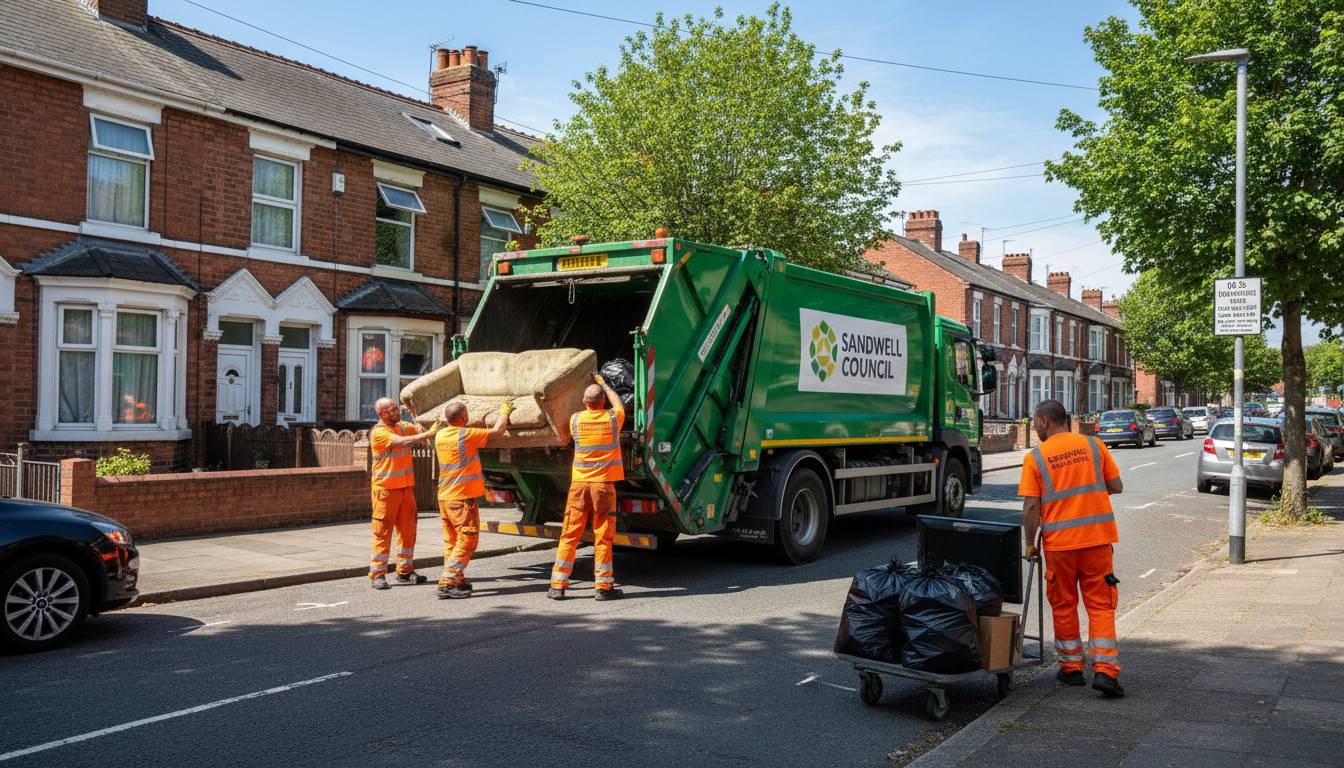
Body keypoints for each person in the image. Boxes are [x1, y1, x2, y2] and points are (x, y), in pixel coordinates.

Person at [1020, 399, 1126, 697]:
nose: (1034, 428)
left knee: (1064, 604)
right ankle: (1105, 671)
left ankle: (1072, 669)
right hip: (1096, 541)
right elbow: (1116, 486)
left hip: (1060, 546)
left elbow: (1031, 506)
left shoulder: (1036, 457)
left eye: (1033, 422)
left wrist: (1030, 545)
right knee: (1101, 605)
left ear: (1044, 421)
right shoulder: (1094, 446)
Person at [549, 373, 625, 601]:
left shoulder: (575, 420)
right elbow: (618, 403)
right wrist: (603, 384)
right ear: (603, 402)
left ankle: (557, 586)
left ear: (584, 402)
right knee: (602, 535)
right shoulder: (613, 419)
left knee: (569, 535)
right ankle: (603, 588)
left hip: (579, 485)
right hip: (602, 486)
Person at [435, 399, 512, 599]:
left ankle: (456, 581)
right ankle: (447, 582)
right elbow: (498, 431)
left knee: (452, 542)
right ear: (465, 417)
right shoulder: (465, 435)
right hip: (461, 498)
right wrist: (505, 411)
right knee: (468, 540)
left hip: (445, 497)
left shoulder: (441, 434)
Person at [368, 397, 440, 590]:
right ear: (381, 414)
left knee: (408, 531)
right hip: (385, 491)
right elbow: (403, 441)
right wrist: (428, 435)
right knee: (382, 532)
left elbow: (417, 429)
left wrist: (427, 424)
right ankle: (377, 574)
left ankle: (405, 571)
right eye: (391, 411)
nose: (396, 412)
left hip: (405, 488)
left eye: (396, 409)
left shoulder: (402, 426)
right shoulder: (379, 432)